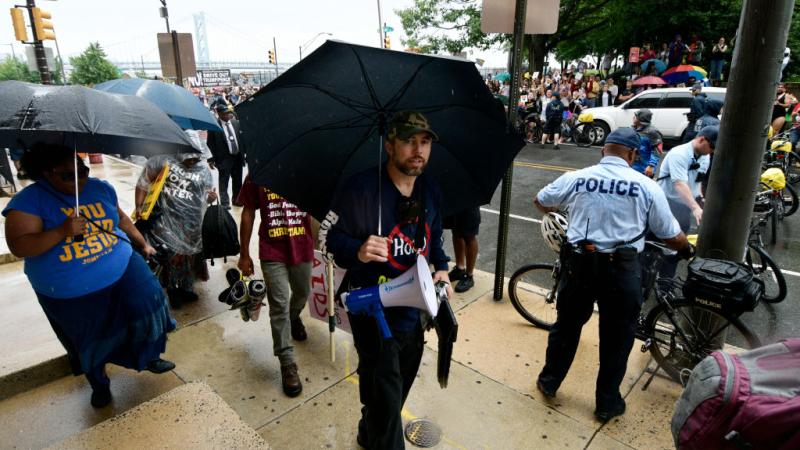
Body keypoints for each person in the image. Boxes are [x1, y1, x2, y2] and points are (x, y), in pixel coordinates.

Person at [534, 128, 692, 422]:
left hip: (579, 265)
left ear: (603, 150)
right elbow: (669, 234)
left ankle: (549, 382)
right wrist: (685, 250)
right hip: (621, 270)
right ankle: (607, 403)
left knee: (566, 328)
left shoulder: (577, 177)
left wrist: (571, 214)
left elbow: (541, 200)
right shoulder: (645, 186)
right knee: (617, 338)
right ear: (632, 155)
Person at [3, 144, 176, 408]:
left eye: (82, 170)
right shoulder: (26, 203)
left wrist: (143, 244)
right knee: (90, 336)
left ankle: (148, 355)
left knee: (148, 304)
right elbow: (20, 246)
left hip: (120, 262)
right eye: (67, 175)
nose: (80, 178)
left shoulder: (101, 188)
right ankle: (99, 384)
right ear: (46, 173)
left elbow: (121, 220)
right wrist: (61, 231)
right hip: (68, 286)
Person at [323, 111, 451, 449]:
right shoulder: (360, 189)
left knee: (394, 389)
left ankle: (369, 428)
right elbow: (327, 239)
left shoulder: (431, 190)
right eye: (409, 141)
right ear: (390, 144)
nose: (418, 150)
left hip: (415, 310)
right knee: (387, 393)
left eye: (425, 142)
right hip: (372, 312)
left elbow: (434, 239)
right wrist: (359, 249)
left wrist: (441, 267)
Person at [236, 175, 314, 397]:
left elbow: (321, 210)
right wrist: (244, 254)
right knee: (278, 304)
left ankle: (294, 315)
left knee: (302, 293)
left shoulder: (309, 169)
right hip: (272, 251)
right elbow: (248, 212)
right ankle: (287, 362)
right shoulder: (259, 173)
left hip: (303, 247)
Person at [135, 153, 216, 308]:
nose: (193, 160)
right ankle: (172, 290)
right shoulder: (162, 160)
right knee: (171, 256)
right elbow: (143, 183)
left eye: (197, 158)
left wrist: (210, 197)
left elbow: (205, 195)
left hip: (192, 222)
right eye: (190, 158)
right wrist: (139, 206)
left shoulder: (202, 170)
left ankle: (186, 287)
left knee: (189, 257)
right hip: (166, 218)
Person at [656, 125, 717, 234]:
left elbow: (698, 180)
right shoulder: (679, 154)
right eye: (712, 146)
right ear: (701, 139)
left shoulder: (705, 156)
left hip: (684, 204)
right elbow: (679, 184)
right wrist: (695, 208)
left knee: (682, 234)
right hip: (667, 201)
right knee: (659, 236)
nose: (712, 151)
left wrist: (700, 199)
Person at [207, 103, 246, 209]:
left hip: (237, 157)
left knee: (237, 180)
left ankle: (237, 200)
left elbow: (241, 140)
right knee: (224, 181)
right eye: (225, 114)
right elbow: (210, 144)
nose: (228, 115)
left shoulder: (236, 123)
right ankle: (225, 203)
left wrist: (245, 154)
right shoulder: (214, 127)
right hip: (224, 158)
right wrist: (211, 159)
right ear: (218, 114)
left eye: (229, 113)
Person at [444, 207, 481, 293]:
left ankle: (469, 275)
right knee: (456, 230)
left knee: (469, 234)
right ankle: (460, 269)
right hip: (455, 199)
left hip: (470, 200)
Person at [631, 109, 663, 177]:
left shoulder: (652, 132)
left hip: (645, 169)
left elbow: (657, 150)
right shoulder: (633, 129)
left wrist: (651, 165)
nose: (633, 117)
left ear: (641, 119)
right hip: (632, 168)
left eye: (635, 116)